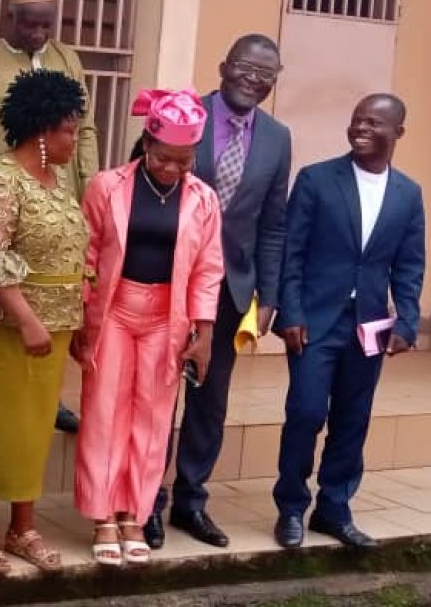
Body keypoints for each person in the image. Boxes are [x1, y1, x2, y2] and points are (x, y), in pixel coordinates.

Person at [145, 34, 292, 550]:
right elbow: (139, 186)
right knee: (160, 396)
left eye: (266, 74)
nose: (254, 80)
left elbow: (274, 224)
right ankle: (148, 504)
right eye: (246, 68)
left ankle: (191, 502)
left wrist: (268, 293)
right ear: (224, 66)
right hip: (166, 280)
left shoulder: (277, 138)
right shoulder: (183, 112)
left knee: (210, 401)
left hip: (231, 290)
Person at [73, 89, 223, 566]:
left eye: (184, 161)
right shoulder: (107, 186)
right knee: (103, 412)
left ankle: (134, 514)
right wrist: (80, 313)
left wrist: (204, 331)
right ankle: (102, 515)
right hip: (114, 310)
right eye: (164, 158)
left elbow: (208, 269)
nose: (173, 170)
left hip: (167, 316)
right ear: (146, 144)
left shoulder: (204, 199)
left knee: (153, 418)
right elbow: (87, 252)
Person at [272, 94, 424, 551]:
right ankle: (292, 508)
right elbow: (292, 252)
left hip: (369, 327)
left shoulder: (408, 193)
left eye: (373, 122)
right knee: (305, 412)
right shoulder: (317, 179)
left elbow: (410, 265)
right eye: (356, 120)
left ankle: (334, 508)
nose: (360, 128)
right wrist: (290, 312)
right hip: (315, 321)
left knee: (353, 419)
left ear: (398, 132)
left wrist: (407, 321)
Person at [0, 69, 89, 574]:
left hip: (53, 331)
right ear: (41, 131)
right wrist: (28, 318)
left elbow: (71, 250)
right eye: (68, 131)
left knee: (33, 433)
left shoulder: (56, 181)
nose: (75, 141)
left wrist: (73, 324)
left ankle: (22, 527)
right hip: (9, 330)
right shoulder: (3, 179)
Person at [0, 0, 97, 434]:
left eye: (45, 24)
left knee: (54, 295)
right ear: (10, 16)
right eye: (28, 23)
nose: (37, 33)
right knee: (8, 294)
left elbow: (85, 131)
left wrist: (87, 188)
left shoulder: (67, 60)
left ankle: (49, 400)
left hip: (57, 197)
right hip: (4, 200)